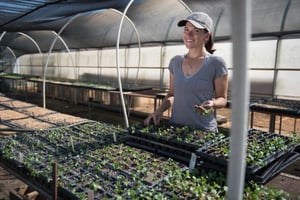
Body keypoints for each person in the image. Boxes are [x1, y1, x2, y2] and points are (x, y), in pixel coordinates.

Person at [144, 12, 228, 133]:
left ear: (206, 36)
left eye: (196, 31)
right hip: (176, 128)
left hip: (203, 131)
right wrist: (159, 111)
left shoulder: (216, 63)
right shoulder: (175, 62)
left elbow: (222, 99)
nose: (189, 34)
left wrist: (213, 103)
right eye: (186, 29)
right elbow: (172, 94)